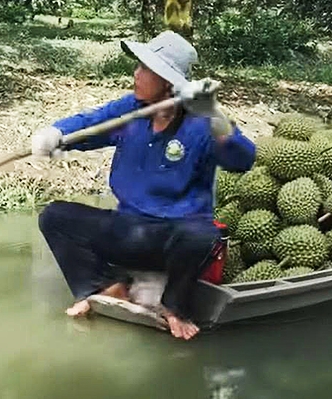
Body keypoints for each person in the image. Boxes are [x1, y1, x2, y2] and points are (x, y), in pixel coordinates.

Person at [30, 30, 256, 340]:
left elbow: (243, 158)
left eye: (144, 68)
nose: (136, 74)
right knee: (55, 217)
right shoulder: (130, 110)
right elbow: (90, 123)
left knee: (203, 233)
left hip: (173, 239)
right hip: (128, 230)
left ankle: (174, 305)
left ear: (166, 81)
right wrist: (57, 134)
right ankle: (108, 288)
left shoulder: (200, 123)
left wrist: (216, 116)